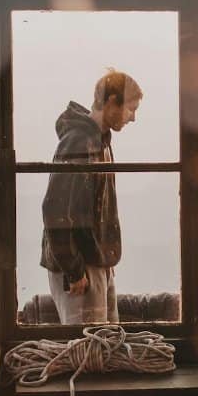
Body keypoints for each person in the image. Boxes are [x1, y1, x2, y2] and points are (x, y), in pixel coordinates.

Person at [39, 69, 143, 324]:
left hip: (93, 264)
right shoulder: (79, 142)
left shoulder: (97, 141)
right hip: (80, 267)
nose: (133, 118)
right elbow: (55, 209)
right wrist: (74, 271)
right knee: (88, 352)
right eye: (130, 109)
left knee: (102, 347)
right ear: (111, 102)